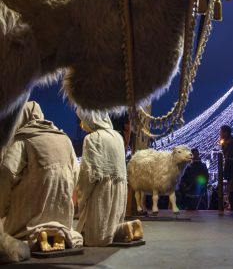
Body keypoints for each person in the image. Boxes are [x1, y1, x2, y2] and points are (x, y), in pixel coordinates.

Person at [0, 101, 83, 251]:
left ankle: (35, 234)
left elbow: (7, 171)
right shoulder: (64, 138)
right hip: (61, 214)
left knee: (8, 234)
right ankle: (56, 232)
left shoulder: (24, 138)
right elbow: (76, 173)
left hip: (32, 210)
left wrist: (3, 205)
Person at [76, 110, 143, 246]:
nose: (82, 124)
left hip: (101, 190)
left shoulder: (93, 138)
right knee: (110, 226)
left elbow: (89, 173)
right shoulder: (117, 136)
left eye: (83, 120)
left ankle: (123, 229)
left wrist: (81, 197)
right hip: (119, 189)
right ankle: (125, 228)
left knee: (94, 237)